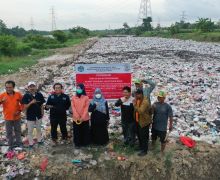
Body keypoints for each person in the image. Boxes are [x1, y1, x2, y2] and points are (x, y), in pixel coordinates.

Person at [21, 82, 45, 149]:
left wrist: (42, 112)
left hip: (38, 115)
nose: (32, 88)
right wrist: (31, 103)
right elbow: (25, 107)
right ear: (28, 88)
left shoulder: (39, 94)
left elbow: (41, 105)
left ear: (35, 87)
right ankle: (31, 144)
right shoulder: (26, 96)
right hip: (30, 116)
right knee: (30, 131)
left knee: (39, 129)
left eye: (33, 86)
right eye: (30, 87)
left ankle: (39, 141)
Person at [0, 81, 23, 150]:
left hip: (17, 117)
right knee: (9, 132)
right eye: (7, 87)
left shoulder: (18, 94)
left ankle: (19, 143)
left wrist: (19, 111)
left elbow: (22, 104)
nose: (8, 89)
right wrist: (1, 101)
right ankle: (11, 145)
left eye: (10, 87)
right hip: (7, 117)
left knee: (18, 131)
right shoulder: (2, 95)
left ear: (13, 87)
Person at [133, 89, 152, 156]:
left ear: (141, 94)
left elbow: (141, 111)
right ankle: (141, 147)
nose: (136, 96)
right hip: (138, 121)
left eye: (137, 94)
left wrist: (134, 105)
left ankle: (144, 151)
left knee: (144, 137)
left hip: (144, 122)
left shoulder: (145, 101)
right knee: (139, 136)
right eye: (136, 94)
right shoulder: (138, 100)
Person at [71, 83, 90, 148]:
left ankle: (85, 143)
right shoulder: (73, 97)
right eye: (77, 88)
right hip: (76, 118)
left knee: (85, 131)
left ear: (83, 89)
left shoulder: (86, 97)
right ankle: (77, 144)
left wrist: (82, 117)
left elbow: (86, 108)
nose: (78, 89)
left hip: (85, 118)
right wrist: (77, 116)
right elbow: (73, 107)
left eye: (80, 88)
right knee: (77, 131)